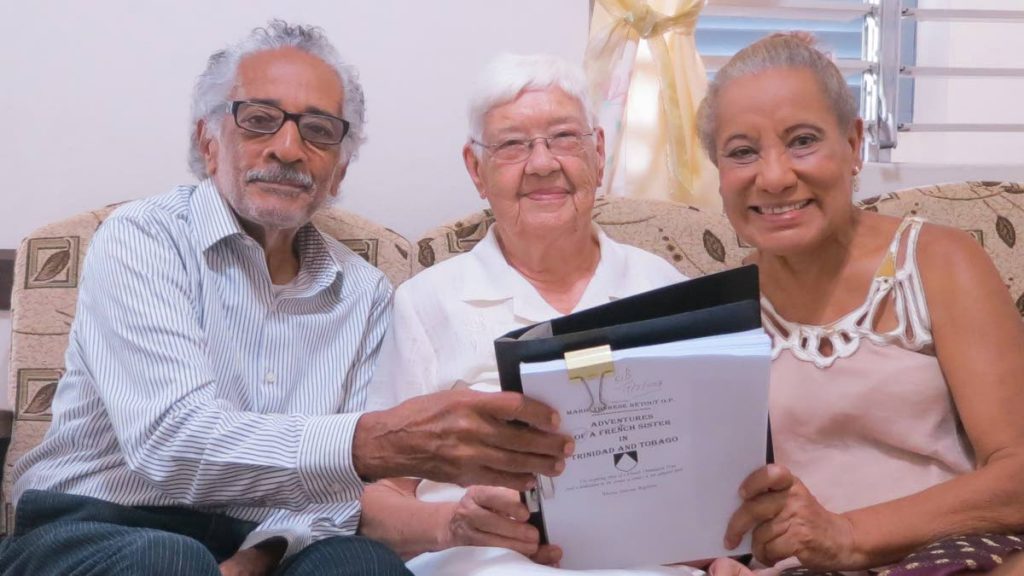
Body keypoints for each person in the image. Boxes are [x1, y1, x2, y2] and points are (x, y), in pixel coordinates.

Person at [0, 21, 572, 576]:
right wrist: (375, 440)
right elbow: (168, 442)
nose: (290, 148)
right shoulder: (142, 238)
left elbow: (336, 497)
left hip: (265, 540)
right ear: (209, 141)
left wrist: (257, 557)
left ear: (340, 167)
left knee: (362, 565)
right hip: (96, 523)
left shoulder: (367, 294)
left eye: (320, 130)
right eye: (258, 121)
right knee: (170, 561)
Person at [692, 33, 1024, 575]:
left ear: (854, 144)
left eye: (802, 141)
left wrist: (848, 535)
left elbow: (1018, 475)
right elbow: (704, 503)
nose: (774, 177)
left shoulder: (939, 263)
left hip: (953, 560)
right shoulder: (715, 315)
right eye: (743, 152)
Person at [359, 54, 694, 576]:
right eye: (513, 145)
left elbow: (710, 463)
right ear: (476, 169)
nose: (542, 164)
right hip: (486, 562)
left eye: (564, 137)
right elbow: (377, 501)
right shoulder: (426, 303)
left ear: (598, 153)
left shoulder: (664, 288)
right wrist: (454, 521)